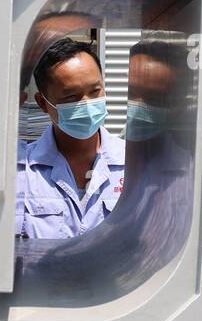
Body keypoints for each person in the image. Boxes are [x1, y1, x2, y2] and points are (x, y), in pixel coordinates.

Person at [16, 37, 125, 239]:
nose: (87, 104)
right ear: (42, 103)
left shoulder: (135, 163)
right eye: (71, 97)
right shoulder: (22, 171)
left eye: (95, 91)